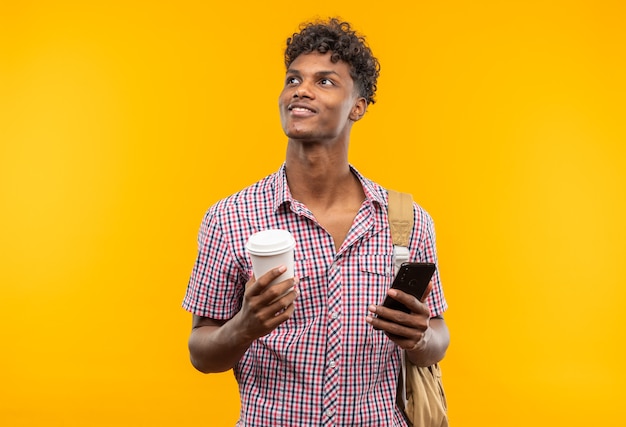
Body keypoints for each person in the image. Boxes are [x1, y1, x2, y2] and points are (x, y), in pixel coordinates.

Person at [182, 17, 450, 426]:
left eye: (325, 81)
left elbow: (438, 337)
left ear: (357, 106)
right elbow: (201, 353)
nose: (301, 90)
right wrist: (245, 327)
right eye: (293, 79)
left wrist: (419, 338)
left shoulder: (406, 220)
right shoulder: (230, 217)